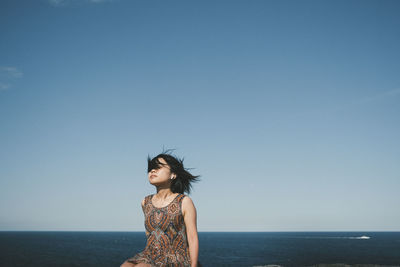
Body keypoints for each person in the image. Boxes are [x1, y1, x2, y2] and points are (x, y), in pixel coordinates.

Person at [121, 149, 201, 267]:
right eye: (151, 168)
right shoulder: (145, 202)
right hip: (149, 255)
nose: (152, 170)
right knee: (125, 266)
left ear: (173, 175)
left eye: (158, 167)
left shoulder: (184, 201)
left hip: (175, 257)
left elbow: (192, 237)